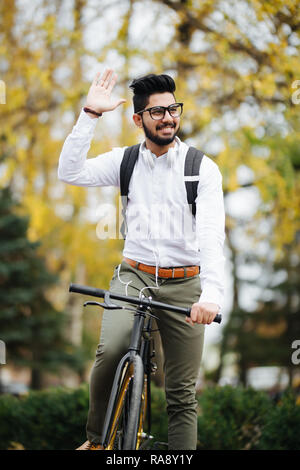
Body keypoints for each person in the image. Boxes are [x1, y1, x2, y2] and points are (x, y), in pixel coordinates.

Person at [58, 68, 226, 450]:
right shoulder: (125, 161)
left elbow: (212, 236)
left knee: (182, 394)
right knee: (111, 349)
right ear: (138, 119)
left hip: (185, 284)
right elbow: (68, 171)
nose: (169, 118)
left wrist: (210, 295)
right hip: (134, 275)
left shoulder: (201, 169)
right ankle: (97, 441)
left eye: (173, 109)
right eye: (158, 112)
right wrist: (89, 115)